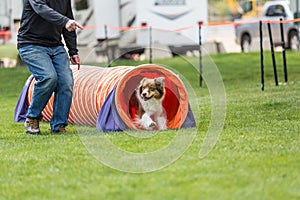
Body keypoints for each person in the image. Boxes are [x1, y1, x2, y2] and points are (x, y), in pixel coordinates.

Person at [17, 0, 83, 134]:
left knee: (66, 82)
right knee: (48, 77)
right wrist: (65, 21)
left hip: (55, 46)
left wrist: (73, 51)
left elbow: (69, 24)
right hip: (30, 44)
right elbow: (42, 9)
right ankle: (32, 118)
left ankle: (59, 126)